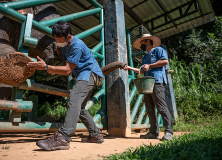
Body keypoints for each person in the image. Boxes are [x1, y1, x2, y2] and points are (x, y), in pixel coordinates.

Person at [27, 21, 104, 151]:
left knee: (73, 99)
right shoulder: (65, 46)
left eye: (58, 38)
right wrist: (52, 68)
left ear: (68, 36)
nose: (56, 40)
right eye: (55, 37)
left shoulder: (77, 45)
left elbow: (67, 70)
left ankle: (64, 137)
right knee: (80, 108)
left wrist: (46, 67)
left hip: (89, 73)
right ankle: (96, 134)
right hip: (82, 74)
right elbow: (65, 66)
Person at [123, 34, 173, 140]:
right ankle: (153, 133)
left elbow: (165, 61)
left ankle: (169, 132)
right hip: (147, 84)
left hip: (157, 82)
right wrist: (129, 68)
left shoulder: (158, 50)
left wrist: (150, 65)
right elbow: (141, 70)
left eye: (142, 44)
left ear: (148, 42)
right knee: (150, 109)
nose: (141, 46)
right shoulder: (145, 57)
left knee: (161, 107)